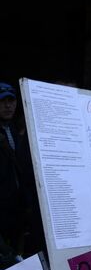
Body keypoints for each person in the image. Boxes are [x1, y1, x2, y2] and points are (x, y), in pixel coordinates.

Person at [0, 82, 45, 259]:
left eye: (11, 100)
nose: (8, 105)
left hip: (17, 206)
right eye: (3, 101)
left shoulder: (16, 130)